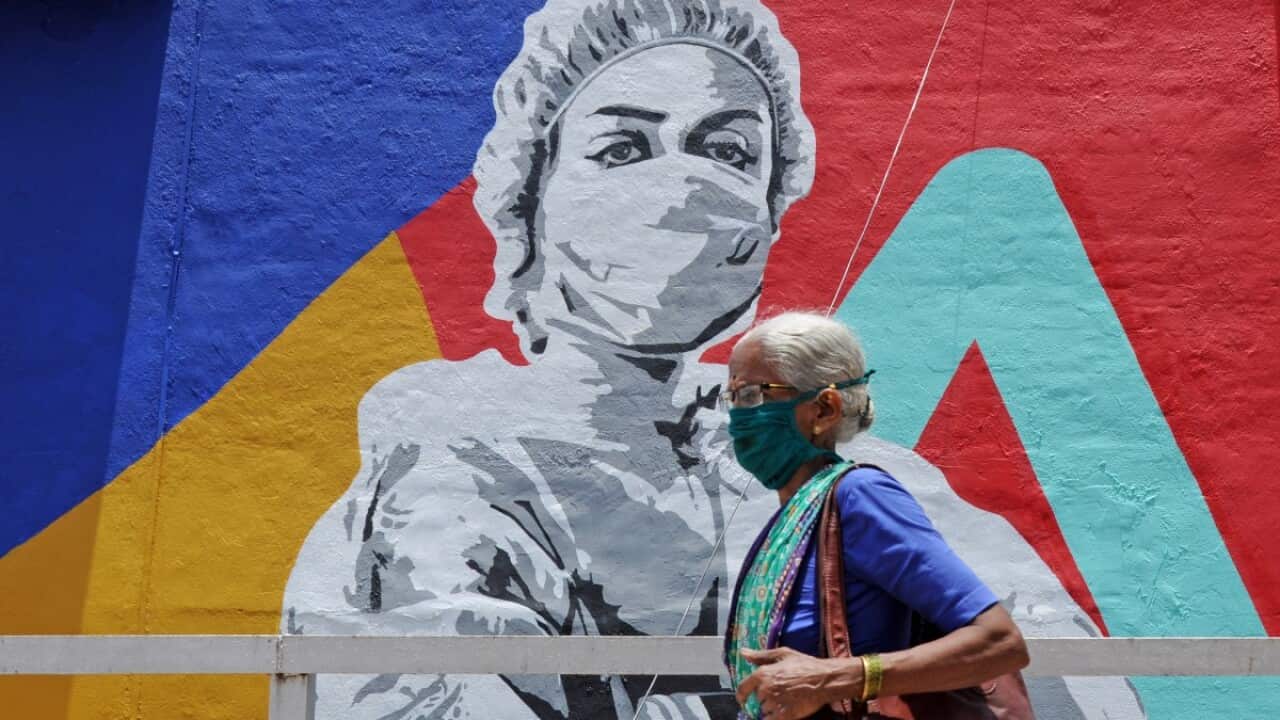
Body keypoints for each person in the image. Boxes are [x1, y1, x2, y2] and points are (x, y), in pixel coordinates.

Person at [281, 0, 1144, 718]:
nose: (680, 187)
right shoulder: (450, 455)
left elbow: (1055, 667)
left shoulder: (860, 480)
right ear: (530, 198)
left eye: (727, 151)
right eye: (622, 148)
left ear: (769, 215)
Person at [723, 312, 1030, 720]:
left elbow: (999, 641)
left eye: (754, 395)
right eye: (734, 397)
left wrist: (836, 678)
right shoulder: (796, 517)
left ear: (824, 409)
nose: (739, 416)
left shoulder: (860, 497)